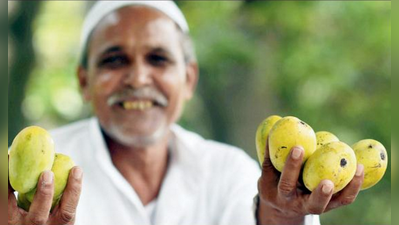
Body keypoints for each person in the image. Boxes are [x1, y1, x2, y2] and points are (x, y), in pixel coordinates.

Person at [8, 1, 365, 225]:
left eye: (158, 59)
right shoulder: (22, 186)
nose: (137, 77)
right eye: (114, 60)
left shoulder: (231, 172)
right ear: (84, 82)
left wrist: (283, 215)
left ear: (189, 79)